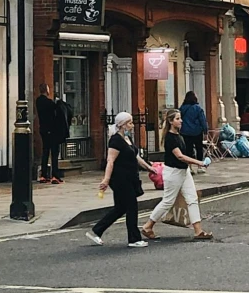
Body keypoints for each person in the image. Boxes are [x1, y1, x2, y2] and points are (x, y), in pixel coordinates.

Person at [141, 109, 213, 242]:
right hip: (173, 172)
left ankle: (198, 231)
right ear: (170, 121)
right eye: (177, 119)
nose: (181, 121)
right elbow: (179, 156)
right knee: (167, 201)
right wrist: (200, 163)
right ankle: (147, 226)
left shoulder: (179, 135)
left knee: (192, 199)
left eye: (180, 118)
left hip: (183, 172)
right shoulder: (170, 137)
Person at [86, 112, 153, 248]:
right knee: (132, 207)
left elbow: (136, 156)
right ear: (122, 125)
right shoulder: (115, 140)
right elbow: (110, 161)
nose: (132, 125)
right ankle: (134, 239)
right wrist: (106, 179)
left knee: (120, 208)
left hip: (130, 178)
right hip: (120, 180)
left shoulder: (127, 139)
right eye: (129, 123)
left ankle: (96, 231)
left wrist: (149, 168)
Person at [36, 83, 71, 183]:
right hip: (52, 131)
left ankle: (43, 175)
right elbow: (57, 111)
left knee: (45, 152)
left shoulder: (38, 101)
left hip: (43, 129)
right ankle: (55, 176)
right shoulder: (49, 102)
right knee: (54, 153)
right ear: (46, 90)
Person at [179, 91, 208, 163]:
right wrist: (205, 131)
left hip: (185, 132)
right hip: (197, 132)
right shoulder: (198, 108)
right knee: (199, 148)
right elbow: (203, 120)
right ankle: (199, 166)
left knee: (188, 149)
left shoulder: (182, 108)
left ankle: (189, 166)